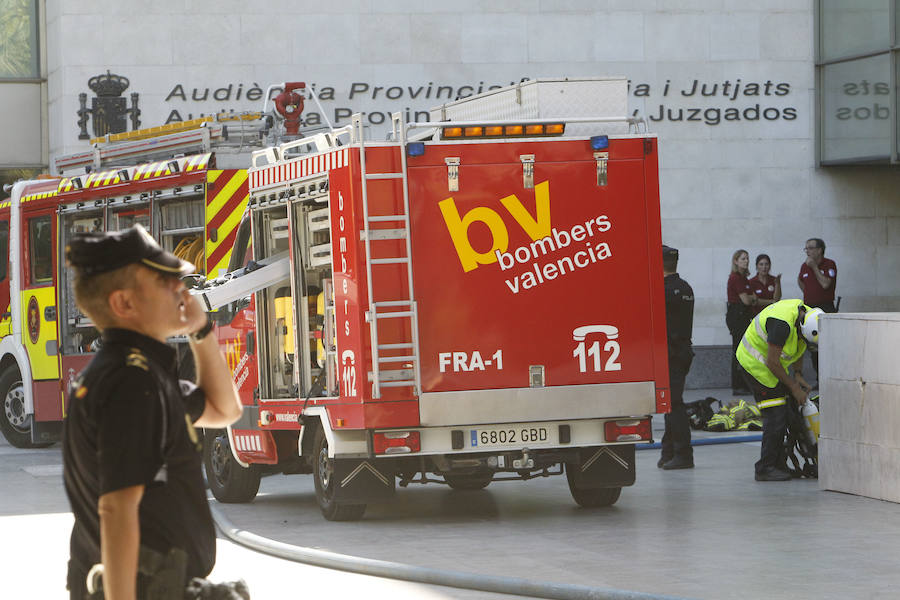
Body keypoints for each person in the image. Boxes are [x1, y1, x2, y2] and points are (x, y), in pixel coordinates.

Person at [62, 225, 242, 599]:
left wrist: (201, 330)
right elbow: (117, 509)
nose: (182, 288)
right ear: (124, 304)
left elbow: (223, 409)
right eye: (164, 281)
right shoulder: (131, 383)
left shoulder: (140, 375)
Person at [736, 298, 823, 481]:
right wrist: (793, 387)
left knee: (789, 412)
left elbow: (800, 345)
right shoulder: (781, 324)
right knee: (775, 414)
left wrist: (798, 374)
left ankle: (779, 465)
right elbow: (772, 362)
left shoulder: (808, 316)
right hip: (755, 363)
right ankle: (765, 468)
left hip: (772, 365)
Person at [658, 245, 695, 470]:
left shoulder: (662, 291)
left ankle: (683, 454)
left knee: (674, 404)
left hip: (671, 354)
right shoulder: (685, 287)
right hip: (682, 352)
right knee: (671, 402)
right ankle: (669, 450)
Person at [797, 238, 836, 376]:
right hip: (810, 308)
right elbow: (800, 281)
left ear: (819, 250)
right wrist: (809, 292)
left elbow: (826, 284)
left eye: (810, 248)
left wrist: (814, 267)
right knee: (813, 345)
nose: (807, 251)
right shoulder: (804, 266)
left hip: (825, 308)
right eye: (806, 248)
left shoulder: (829, 264)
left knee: (826, 344)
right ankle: (819, 377)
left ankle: (829, 376)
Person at [726, 249, 757, 394]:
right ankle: (737, 385)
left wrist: (751, 298)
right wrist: (751, 298)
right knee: (738, 350)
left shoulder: (744, 278)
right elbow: (746, 300)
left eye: (747, 258)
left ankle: (744, 383)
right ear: (736, 261)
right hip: (737, 315)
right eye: (743, 258)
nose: (746, 261)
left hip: (744, 315)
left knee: (744, 350)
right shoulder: (736, 278)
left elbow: (753, 298)